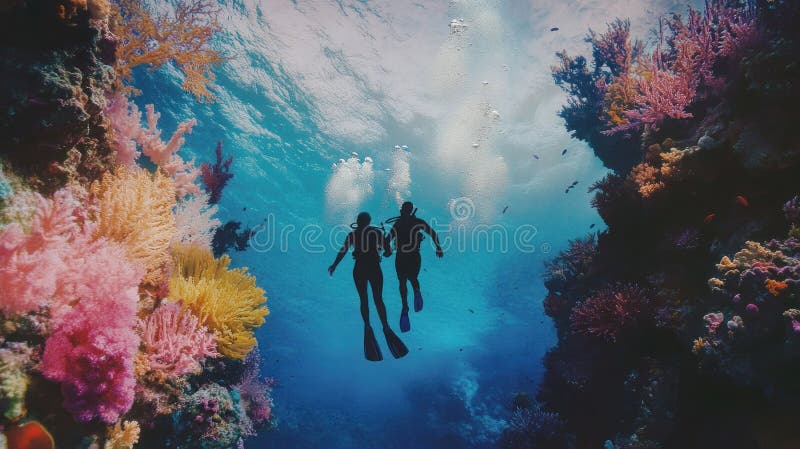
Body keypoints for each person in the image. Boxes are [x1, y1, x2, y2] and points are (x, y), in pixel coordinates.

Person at [328, 212, 408, 361]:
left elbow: (343, 250)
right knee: (378, 299)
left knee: (363, 299)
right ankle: (385, 326)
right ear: (369, 221)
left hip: (359, 268)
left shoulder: (352, 234)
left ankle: (367, 325)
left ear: (358, 221)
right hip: (373, 266)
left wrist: (334, 265)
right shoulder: (376, 232)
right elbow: (388, 250)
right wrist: (387, 252)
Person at [385, 202, 443, 332]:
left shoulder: (399, 224)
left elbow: (387, 240)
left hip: (403, 256)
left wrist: (387, 250)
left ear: (403, 210)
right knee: (410, 278)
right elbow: (433, 233)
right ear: (409, 210)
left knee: (403, 281)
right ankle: (415, 294)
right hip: (412, 256)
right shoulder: (416, 222)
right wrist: (438, 247)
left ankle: (406, 305)